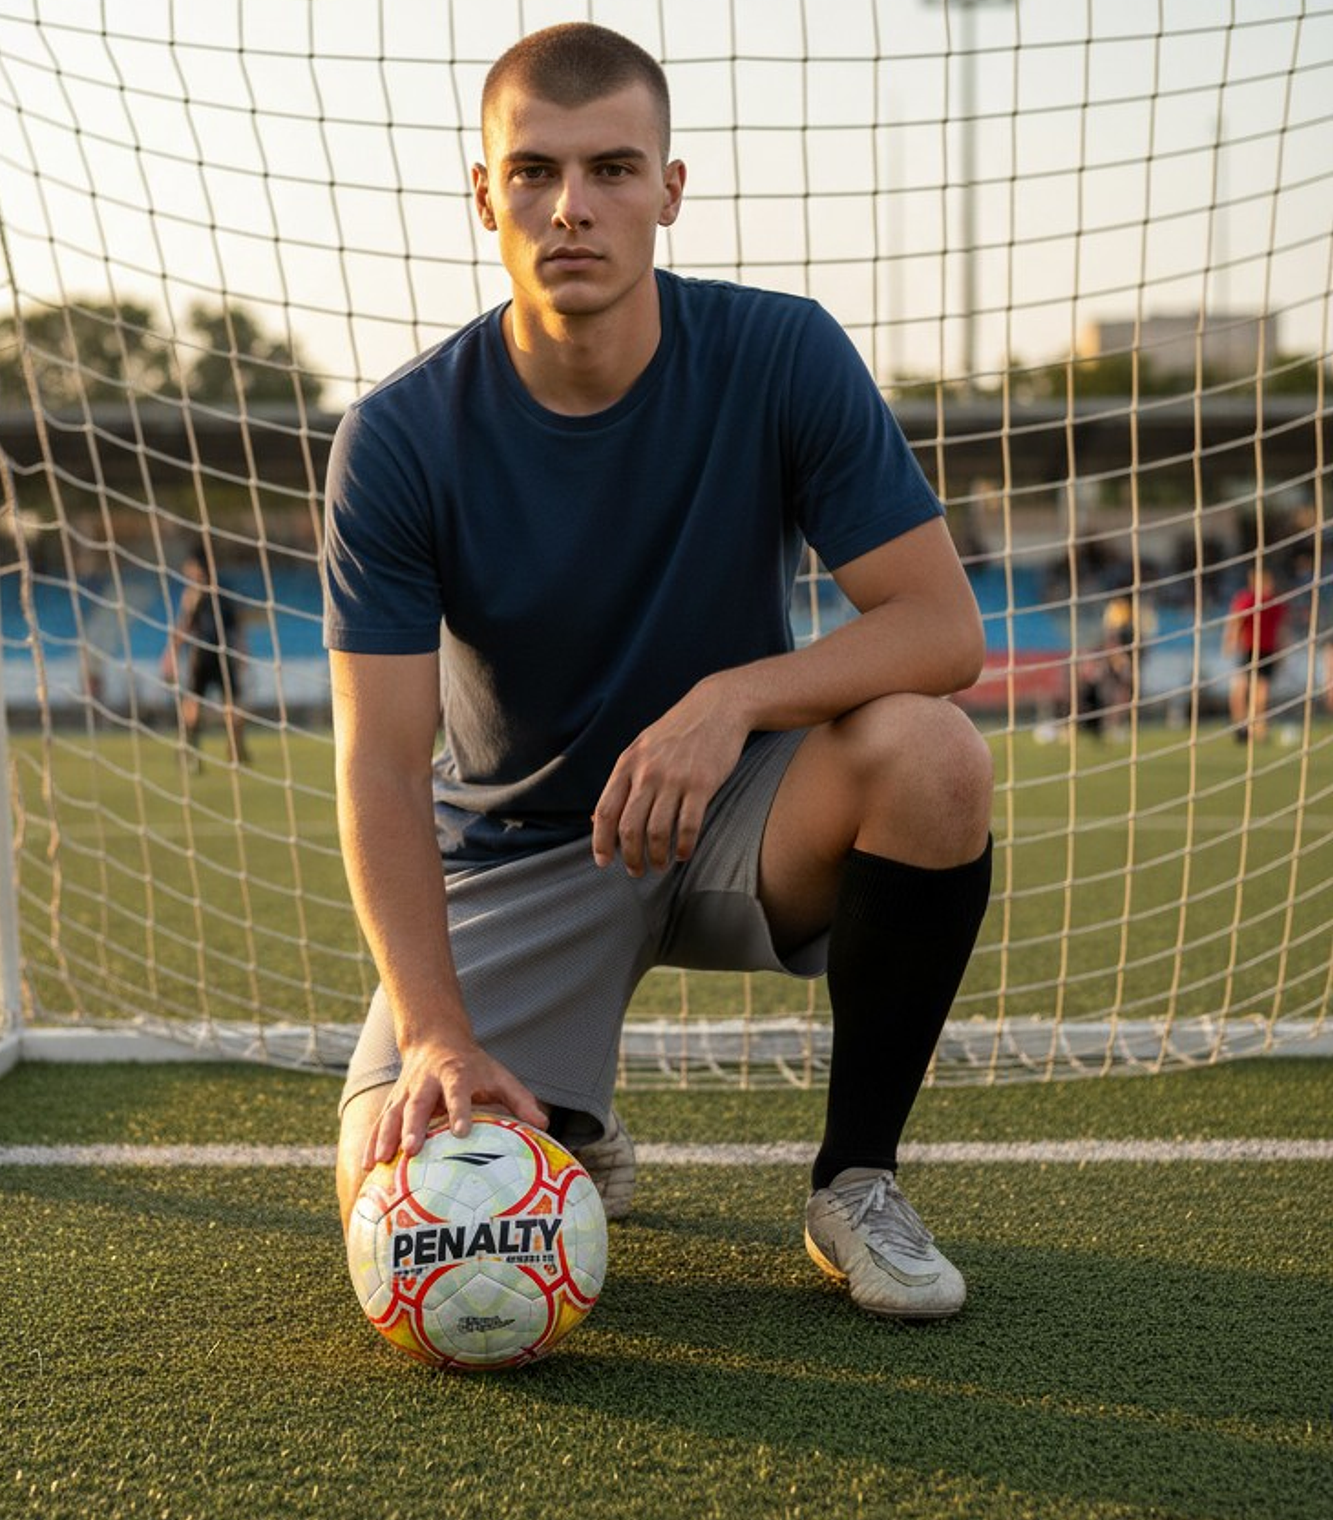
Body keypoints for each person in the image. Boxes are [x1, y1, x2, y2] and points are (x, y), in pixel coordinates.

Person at [322, 23, 993, 1320]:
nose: (573, 207)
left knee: (932, 755)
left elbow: (941, 630)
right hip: (521, 849)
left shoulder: (781, 355)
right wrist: (442, 1035)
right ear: (485, 196)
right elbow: (381, 766)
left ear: (669, 192)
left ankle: (856, 1181)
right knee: (387, 1190)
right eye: (534, 172)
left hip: (736, 809)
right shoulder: (399, 440)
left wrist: (730, 699)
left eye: (615, 168)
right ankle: (564, 1109)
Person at [163, 543, 249, 765]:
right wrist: (241, 652)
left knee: (193, 703)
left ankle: (191, 750)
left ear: (196, 566)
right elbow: (237, 625)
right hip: (223, 654)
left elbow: (185, 625)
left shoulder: (194, 593)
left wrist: (171, 652)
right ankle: (235, 749)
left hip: (202, 655)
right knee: (231, 703)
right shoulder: (225, 589)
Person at [1223, 562, 1285, 742]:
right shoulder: (1247, 600)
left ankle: (1259, 729)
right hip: (1248, 650)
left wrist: (1282, 651)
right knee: (1239, 690)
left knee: (1261, 695)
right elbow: (1235, 621)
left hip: (1267, 651)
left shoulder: (1275, 603)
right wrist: (1230, 642)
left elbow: (1280, 629)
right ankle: (1240, 727)